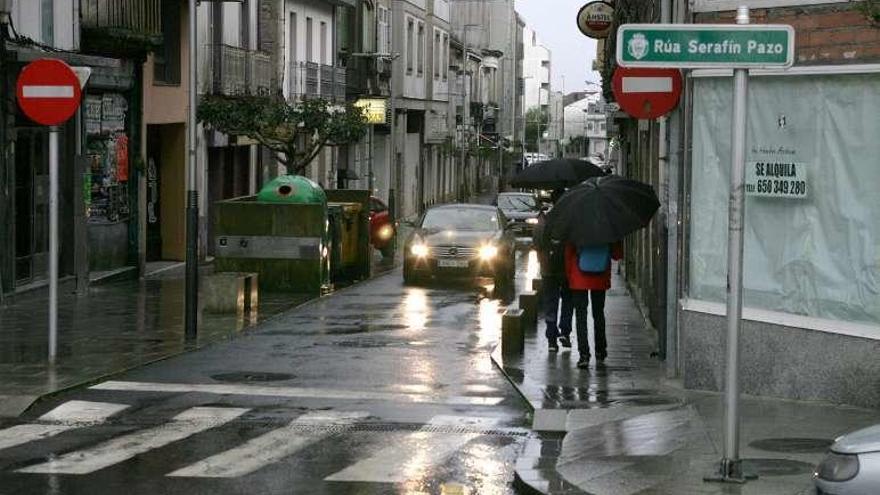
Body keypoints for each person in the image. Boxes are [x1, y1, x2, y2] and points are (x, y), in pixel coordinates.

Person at [563, 241, 623, 368]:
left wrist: (570, 276)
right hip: (600, 277)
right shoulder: (607, 226)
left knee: (581, 317)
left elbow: (568, 253)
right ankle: (600, 351)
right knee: (599, 314)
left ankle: (584, 355)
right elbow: (617, 255)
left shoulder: (576, 225)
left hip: (578, 278)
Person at [532, 189, 573, 352]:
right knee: (568, 301)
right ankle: (565, 331)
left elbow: (536, 243)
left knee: (550, 301)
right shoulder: (570, 219)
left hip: (548, 268)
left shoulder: (542, 219)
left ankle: (551, 339)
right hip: (566, 268)